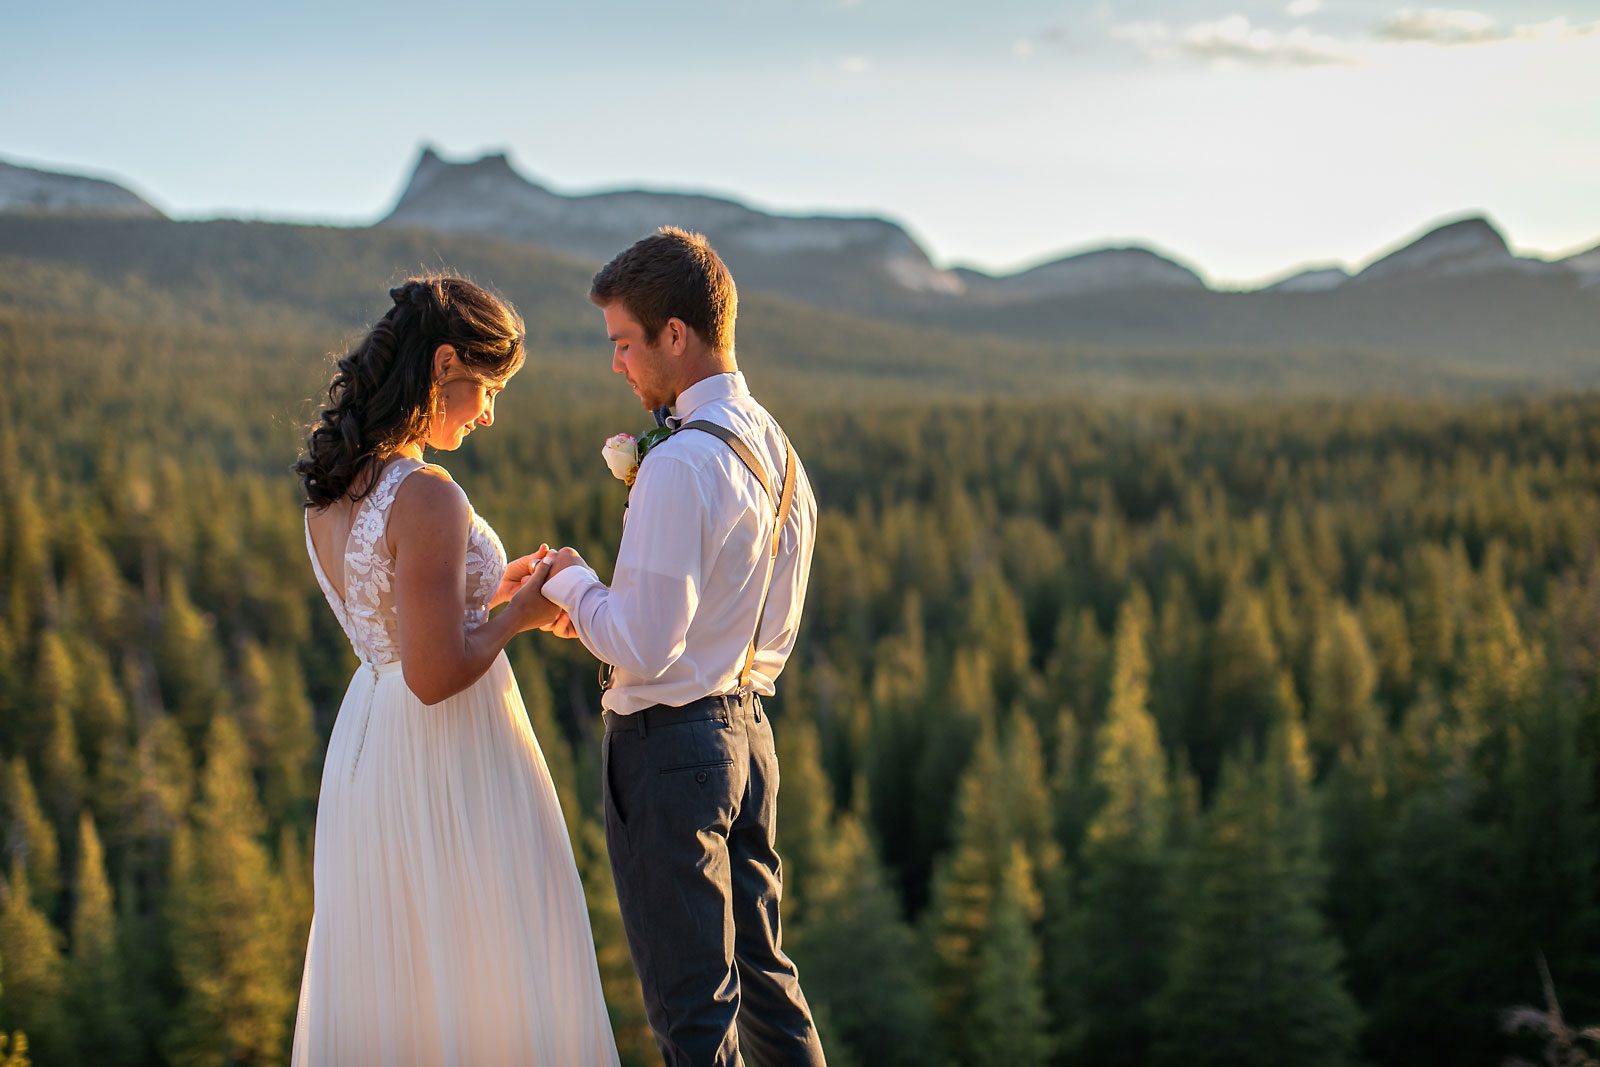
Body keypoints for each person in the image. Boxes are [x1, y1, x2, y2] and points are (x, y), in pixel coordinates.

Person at [513, 228, 827, 1066]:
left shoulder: (681, 463)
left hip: (669, 752)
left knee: (693, 1016)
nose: (617, 363)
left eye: (624, 342)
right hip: (748, 739)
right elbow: (775, 637)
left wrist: (573, 582)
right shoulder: (783, 456)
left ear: (675, 336)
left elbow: (644, 646)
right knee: (768, 984)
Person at [291, 275, 618, 1065]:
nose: (489, 413)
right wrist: (527, 614)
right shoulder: (428, 494)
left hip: (371, 747)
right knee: (486, 959)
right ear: (444, 365)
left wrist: (490, 594)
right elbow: (434, 673)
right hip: (448, 752)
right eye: (488, 388)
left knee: (402, 970)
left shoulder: (334, 493)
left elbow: (400, 630)